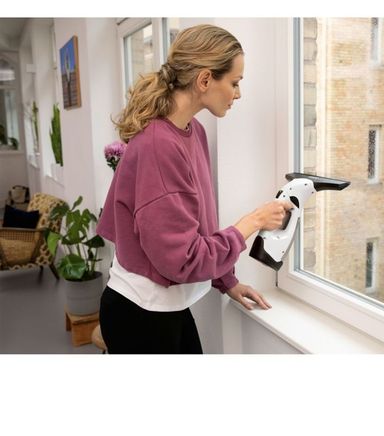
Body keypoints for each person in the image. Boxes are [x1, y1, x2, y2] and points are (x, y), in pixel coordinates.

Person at [97, 24, 293, 354]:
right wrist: (254, 221)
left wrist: (226, 281)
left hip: (166, 306)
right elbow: (181, 258)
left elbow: (194, 225)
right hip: (140, 313)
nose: (238, 94)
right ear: (204, 80)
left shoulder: (193, 131)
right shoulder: (158, 146)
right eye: (234, 82)